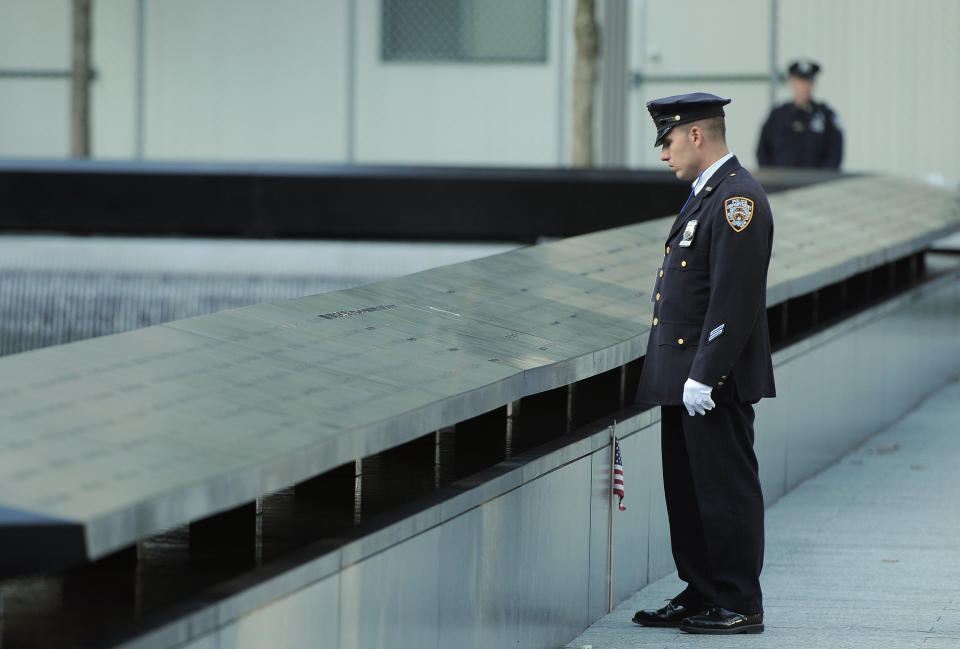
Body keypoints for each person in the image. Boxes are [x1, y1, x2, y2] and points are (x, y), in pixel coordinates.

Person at [631, 92, 775, 635]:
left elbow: (733, 300)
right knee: (689, 493)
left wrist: (704, 374)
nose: (663, 152)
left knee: (726, 491)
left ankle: (739, 601)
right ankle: (701, 590)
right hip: (684, 380)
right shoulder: (705, 195)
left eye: (667, 140)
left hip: (714, 382)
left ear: (696, 134)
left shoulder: (738, 199)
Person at [756, 59, 843, 168]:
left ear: (813, 83)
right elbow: (763, 152)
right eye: (800, 81)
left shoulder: (826, 116)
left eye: (808, 81)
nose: (804, 86)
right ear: (792, 81)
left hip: (817, 182)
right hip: (781, 182)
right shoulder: (778, 115)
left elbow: (835, 155)